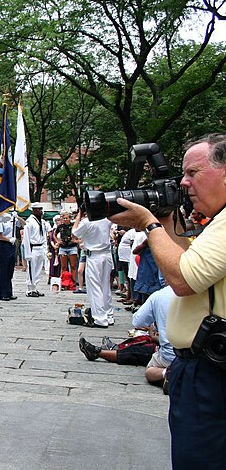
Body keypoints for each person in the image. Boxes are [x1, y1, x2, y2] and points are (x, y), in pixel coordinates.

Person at [109, 134, 226, 468]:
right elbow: (188, 257)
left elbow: (184, 279)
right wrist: (165, 218)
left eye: (193, 172)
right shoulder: (218, 221)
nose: (184, 182)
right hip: (203, 365)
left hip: (212, 372)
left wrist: (147, 223)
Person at [79, 285, 175, 385]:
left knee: (143, 355)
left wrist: (152, 333)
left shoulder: (160, 295)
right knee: (143, 343)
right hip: (179, 352)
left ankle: (99, 352)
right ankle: (109, 349)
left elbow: (138, 321)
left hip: (172, 356)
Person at [73, 207, 114, 328]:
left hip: (94, 256)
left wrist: (78, 216)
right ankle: (109, 315)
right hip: (106, 254)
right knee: (105, 286)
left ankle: (100, 318)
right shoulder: (106, 219)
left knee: (94, 287)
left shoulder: (87, 222)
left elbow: (74, 232)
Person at [23, 204, 49, 297]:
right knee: (32, 269)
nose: (40, 211)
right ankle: (29, 289)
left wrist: (45, 248)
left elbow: (44, 236)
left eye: (41, 209)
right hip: (33, 248)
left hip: (40, 247)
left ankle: (35, 287)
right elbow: (26, 238)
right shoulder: (29, 222)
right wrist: (27, 253)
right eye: (38, 209)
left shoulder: (41, 222)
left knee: (38, 269)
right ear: (33, 210)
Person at [0, 211, 20, 301]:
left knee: (10, 269)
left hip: (12, 245)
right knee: (4, 270)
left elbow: (24, 224)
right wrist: (9, 239)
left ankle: (9, 292)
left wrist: (17, 217)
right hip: (4, 244)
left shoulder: (12, 218)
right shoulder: (0, 219)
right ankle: (3, 294)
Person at [55, 212, 79, 289]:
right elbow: (54, 234)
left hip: (72, 247)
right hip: (63, 247)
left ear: (70, 218)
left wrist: (76, 240)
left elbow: (79, 233)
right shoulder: (60, 226)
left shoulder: (73, 226)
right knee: (64, 266)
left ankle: (73, 282)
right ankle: (64, 282)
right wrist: (58, 242)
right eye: (64, 218)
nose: (65, 219)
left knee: (73, 266)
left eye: (67, 218)